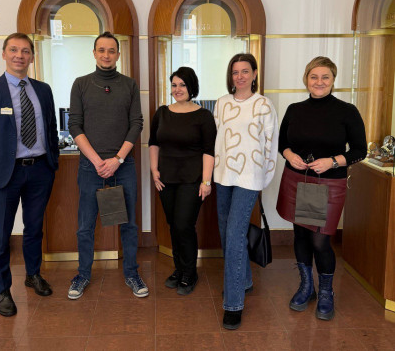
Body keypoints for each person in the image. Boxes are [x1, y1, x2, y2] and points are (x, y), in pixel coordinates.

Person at [0, 33, 59, 317]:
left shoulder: (43, 90)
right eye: (14, 50)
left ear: (32, 57)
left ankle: (33, 274)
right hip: (4, 173)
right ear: (3, 54)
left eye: (25, 51)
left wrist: (51, 160)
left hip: (39, 170)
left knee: (34, 228)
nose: (20, 55)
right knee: (1, 235)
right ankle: (3, 290)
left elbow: (50, 127)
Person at [276, 56, 366, 321]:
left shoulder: (347, 111)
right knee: (301, 235)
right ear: (306, 79)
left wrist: (333, 161)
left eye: (325, 77)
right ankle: (307, 287)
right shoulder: (294, 109)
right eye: (314, 76)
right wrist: (289, 155)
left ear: (333, 80)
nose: (319, 82)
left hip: (328, 183)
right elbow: (282, 143)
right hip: (297, 178)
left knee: (320, 239)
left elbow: (359, 150)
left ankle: (326, 291)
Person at [67, 31, 147, 299]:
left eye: (111, 50)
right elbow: (74, 125)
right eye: (101, 50)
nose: (106, 55)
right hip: (91, 168)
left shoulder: (129, 85)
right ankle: (82, 275)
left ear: (118, 54)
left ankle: (132, 273)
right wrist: (97, 161)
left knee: (129, 224)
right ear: (94, 53)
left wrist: (117, 160)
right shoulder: (81, 84)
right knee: (85, 226)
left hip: (123, 166)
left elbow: (136, 123)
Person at [214, 53, 278, 330]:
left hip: (249, 177)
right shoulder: (221, 103)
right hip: (223, 175)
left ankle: (233, 304)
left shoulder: (263, 105)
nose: (239, 76)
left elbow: (271, 144)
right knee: (225, 231)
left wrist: (263, 177)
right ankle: (245, 280)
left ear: (254, 74)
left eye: (244, 71)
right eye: (235, 72)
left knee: (234, 234)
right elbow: (217, 140)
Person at [149, 67, 216, 295]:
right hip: (165, 179)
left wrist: (206, 182)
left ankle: (189, 272)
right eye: (174, 85)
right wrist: (154, 169)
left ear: (192, 87)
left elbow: (209, 151)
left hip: (192, 179)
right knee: (173, 225)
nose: (178, 89)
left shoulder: (203, 116)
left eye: (183, 85)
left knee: (183, 225)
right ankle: (179, 269)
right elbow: (153, 143)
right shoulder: (162, 112)